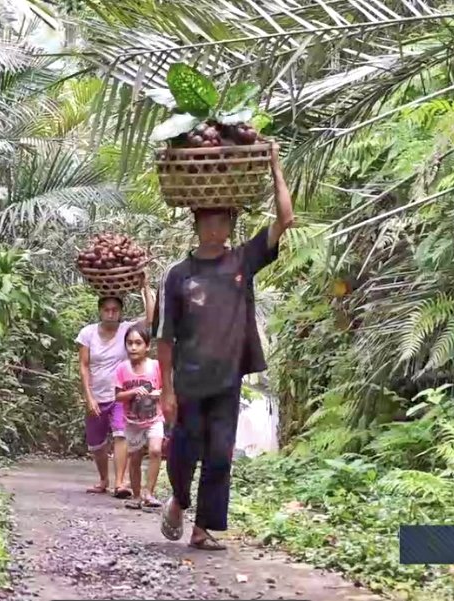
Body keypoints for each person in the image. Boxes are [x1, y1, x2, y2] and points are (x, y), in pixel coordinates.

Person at [154, 142, 295, 550]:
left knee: (220, 455)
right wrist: (166, 389)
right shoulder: (178, 275)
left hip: (227, 378)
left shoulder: (242, 261)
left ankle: (203, 528)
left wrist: (273, 162)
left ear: (231, 224)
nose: (216, 229)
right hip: (189, 380)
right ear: (196, 224)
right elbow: (165, 336)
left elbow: (286, 218)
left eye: (223, 221)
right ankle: (179, 500)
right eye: (208, 221)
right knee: (184, 450)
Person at [77, 278, 155, 498]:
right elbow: (83, 366)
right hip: (97, 393)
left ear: (120, 312)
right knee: (96, 444)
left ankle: (120, 483)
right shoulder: (88, 333)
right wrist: (88, 396)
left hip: (122, 394)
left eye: (115, 310)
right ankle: (103, 480)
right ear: (100, 312)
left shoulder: (127, 330)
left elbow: (150, 318)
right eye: (106, 310)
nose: (110, 314)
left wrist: (145, 287)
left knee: (121, 434)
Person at [113, 323, 164, 509]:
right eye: (129, 343)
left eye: (138, 343)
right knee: (134, 457)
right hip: (132, 421)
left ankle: (149, 493)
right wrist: (134, 391)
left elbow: (165, 388)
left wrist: (159, 393)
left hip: (154, 418)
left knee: (156, 450)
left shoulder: (156, 366)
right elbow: (117, 396)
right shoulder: (122, 369)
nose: (133, 347)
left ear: (147, 346)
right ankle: (136, 495)